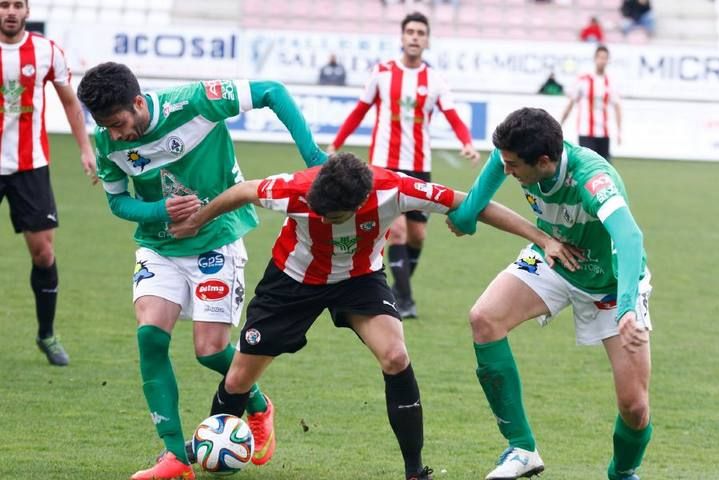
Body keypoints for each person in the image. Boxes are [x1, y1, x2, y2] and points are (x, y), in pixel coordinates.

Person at [169, 153, 578, 480]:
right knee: (240, 377)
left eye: (333, 216)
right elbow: (241, 191)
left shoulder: (394, 190)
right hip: (292, 282)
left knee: (396, 356)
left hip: (359, 280)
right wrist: (196, 220)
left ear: (360, 202)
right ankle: (209, 443)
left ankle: (415, 471)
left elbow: (471, 204)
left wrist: (542, 238)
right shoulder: (294, 190)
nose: (324, 219)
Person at [77, 62, 327, 480]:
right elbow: (118, 202)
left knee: (210, 351)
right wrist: (158, 209)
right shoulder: (107, 143)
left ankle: (259, 404)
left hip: (216, 239)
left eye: (118, 122)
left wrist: (316, 159)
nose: (115, 134)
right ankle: (175, 456)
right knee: (150, 337)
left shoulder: (195, 102)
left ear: (138, 102)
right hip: (160, 245)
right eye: (105, 126)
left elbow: (271, 91)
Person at [447, 108, 653, 480]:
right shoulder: (513, 154)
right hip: (553, 257)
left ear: (544, 161)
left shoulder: (592, 179)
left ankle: (622, 473)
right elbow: (478, 197)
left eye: (513, 166)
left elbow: (629, 236)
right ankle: (522, 448)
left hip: (612, 282)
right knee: (484, 318)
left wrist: (626, 309)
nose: (506, 170)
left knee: (634, 408)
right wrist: (465, 219)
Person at [328, 11, 480, 319]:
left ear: (427, 39)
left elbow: (451, 115)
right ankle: (406, 300)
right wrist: (337, 141)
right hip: (383, 167)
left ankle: (399, 289)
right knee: (395, 232)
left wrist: (466, 141)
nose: (414, 37)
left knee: (417, 236)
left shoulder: (434, 80)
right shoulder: (382, 72)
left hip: (419, 165)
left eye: (420, 33)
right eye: (410, 31)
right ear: (402, 37)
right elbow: (360, 110)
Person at [0, 0, 96, 366]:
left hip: (31, 166)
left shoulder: (45, 50)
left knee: (43, 253)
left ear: (26, 11)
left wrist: (85, 148)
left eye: (16, 5)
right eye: (3, 5)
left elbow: (71, 103)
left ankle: (46, 334)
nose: (10, 11)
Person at [560, 45, 621, 162]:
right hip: (586, 131)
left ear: (608, 60)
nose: (602, 61)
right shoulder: (583, 80)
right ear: (595, 59)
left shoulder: (611, 82)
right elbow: (571, 103)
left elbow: (617, 106)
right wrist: (560, 123)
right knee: (588, 165)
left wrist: (619, 130)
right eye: (600, 57)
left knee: (604, 167)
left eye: (605, 58)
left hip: (604, 132)